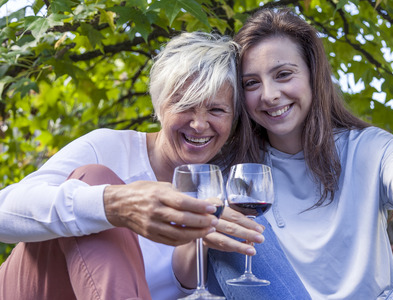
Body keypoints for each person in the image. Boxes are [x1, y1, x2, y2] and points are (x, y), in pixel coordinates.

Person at [199, 8, 393, 300]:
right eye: (251, 83)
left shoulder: (370, 149)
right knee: (223, 223)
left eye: (283, 74)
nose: (269, 95)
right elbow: (185, 276)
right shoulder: (233, 175)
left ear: (312, 75)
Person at [0, 31, 265, 299]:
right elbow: (3, 214)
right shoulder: (109, 148)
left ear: (233, 119)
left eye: (216, 110)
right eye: (184, 106)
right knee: (95, 177)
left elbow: (169, 288)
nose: (198, 124)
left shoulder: (219, 185)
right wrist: (114, 205)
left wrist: (200, 243)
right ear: (160, 106)